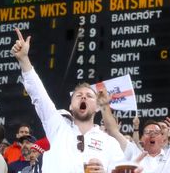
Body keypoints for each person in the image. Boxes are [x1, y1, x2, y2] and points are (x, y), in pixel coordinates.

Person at [11, 27, 123, 173]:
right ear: (70, 106)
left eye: (89, 96)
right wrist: (24, 60)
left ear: (97, 107)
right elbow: (39, 96)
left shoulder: (110, 143)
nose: (83, 97)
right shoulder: (57, 127)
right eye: (78, 95)